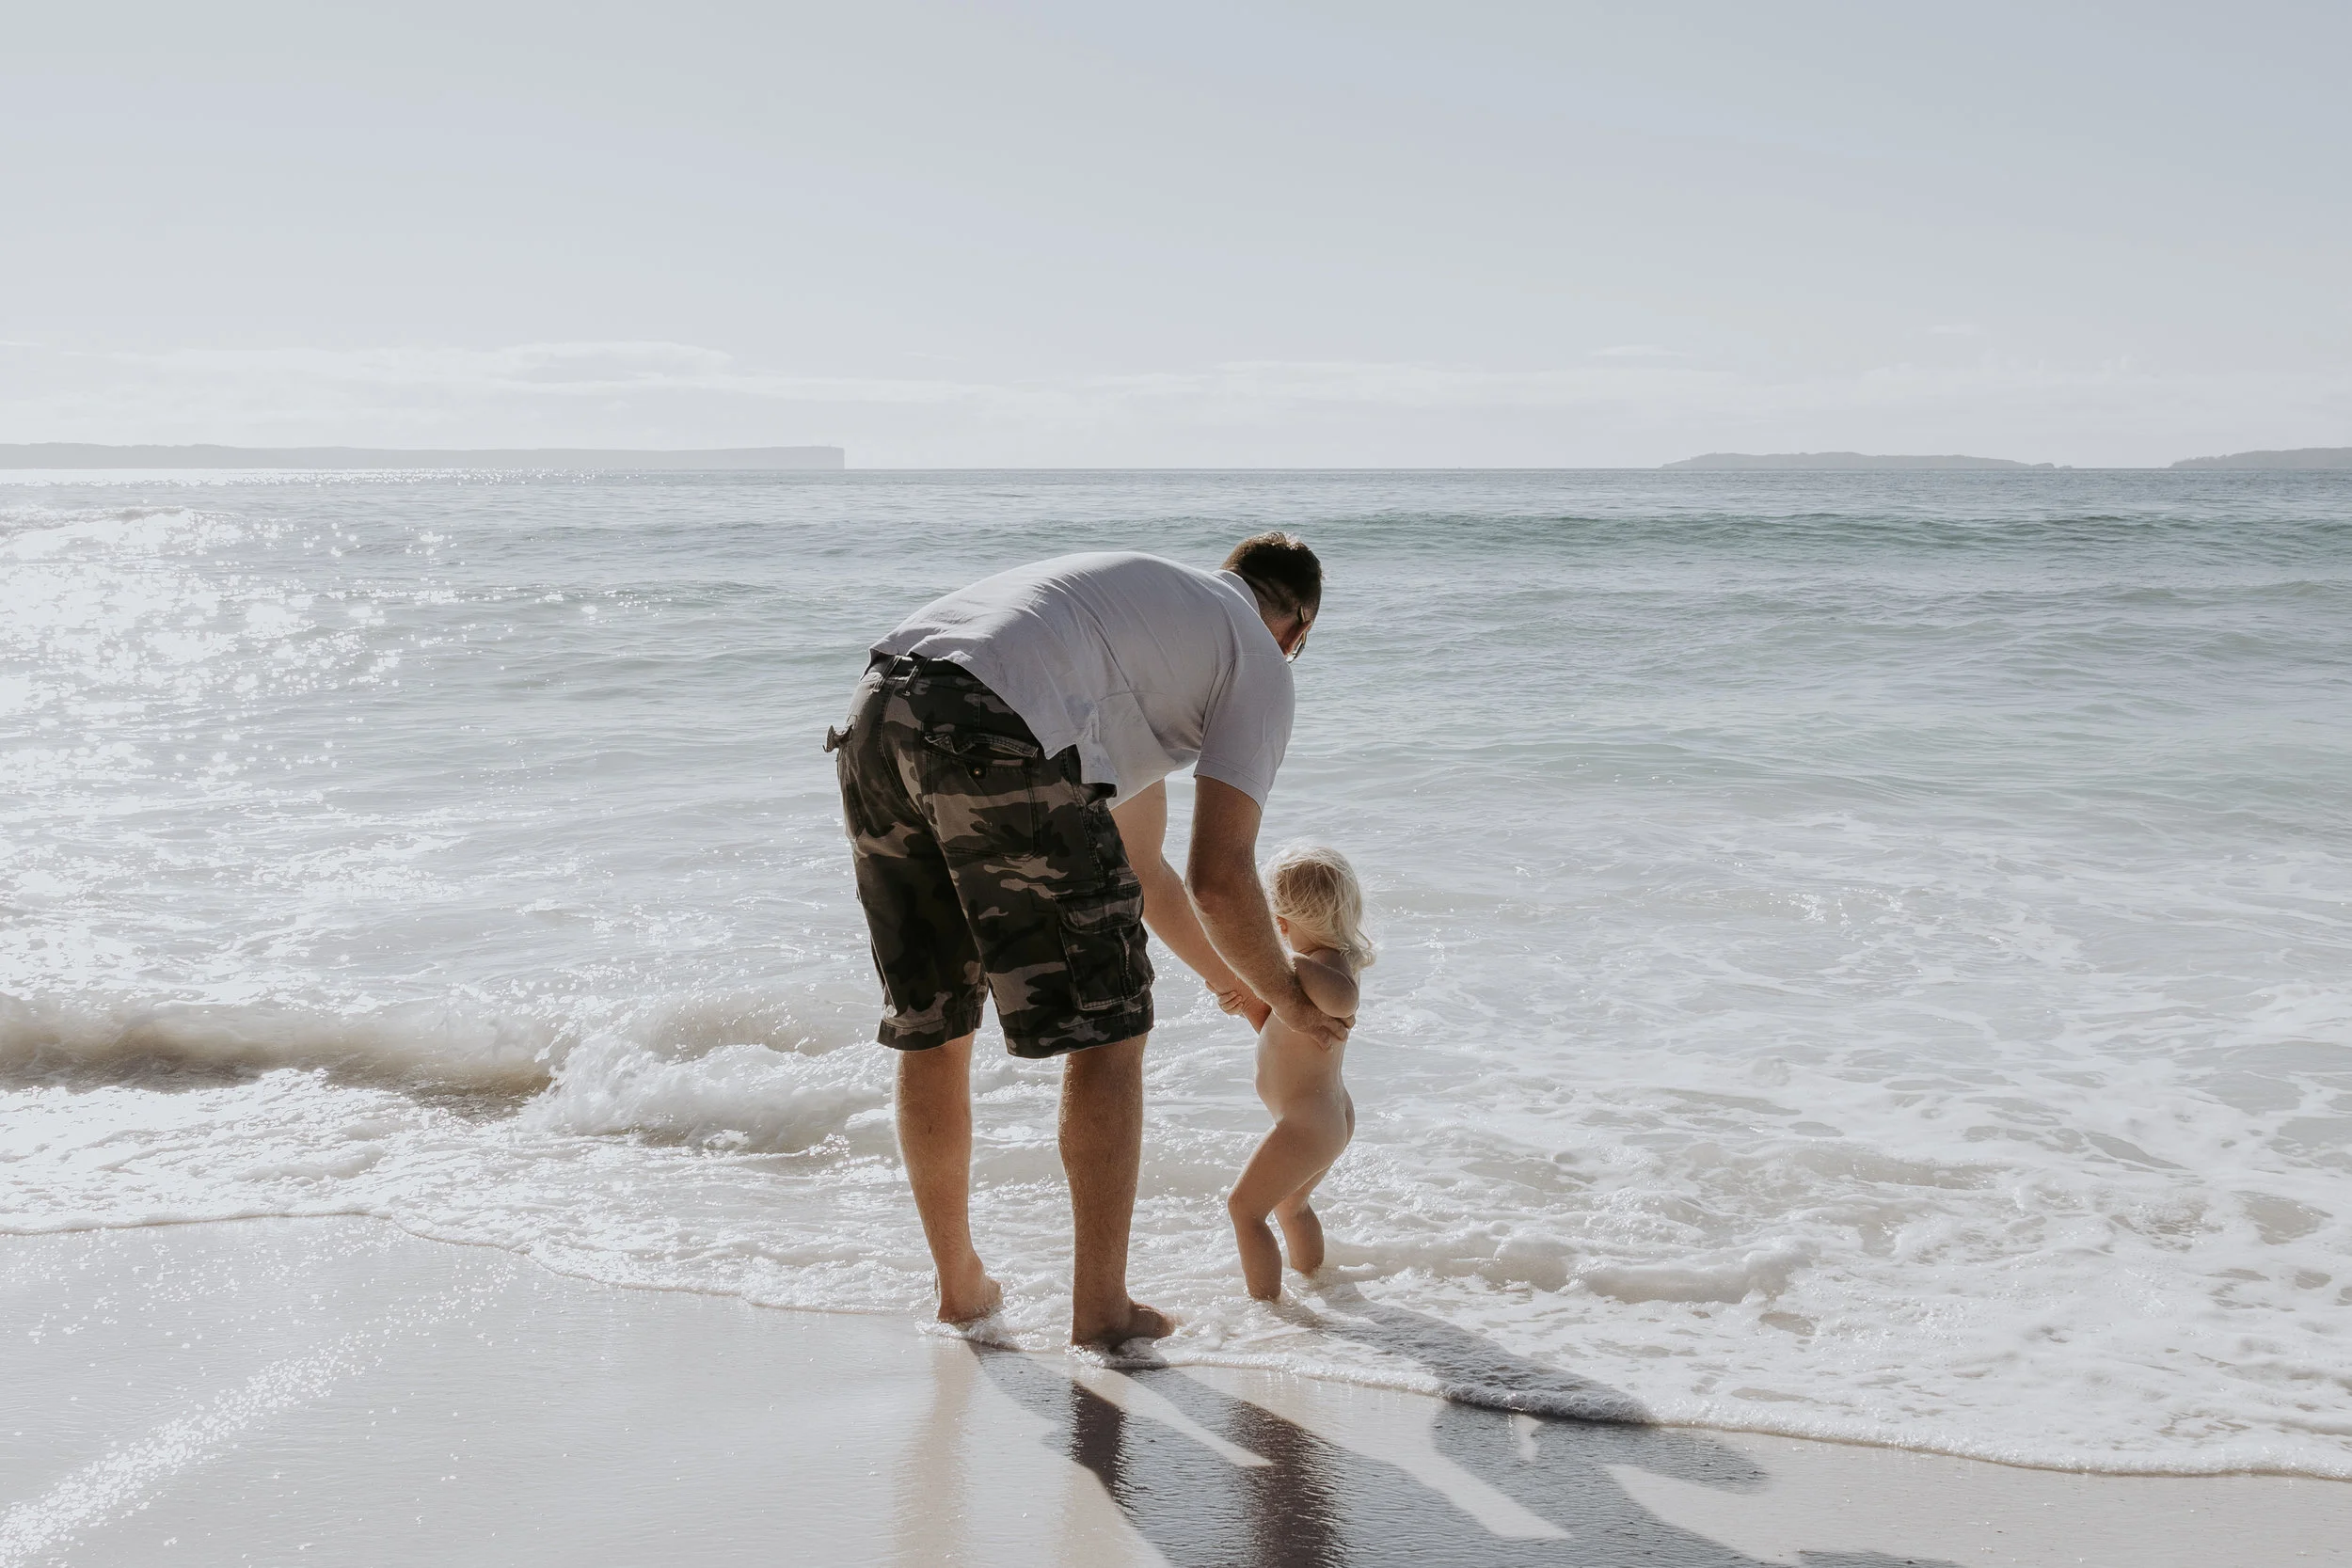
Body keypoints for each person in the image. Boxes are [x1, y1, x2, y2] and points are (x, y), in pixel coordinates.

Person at [826, 535, 1352, 1347]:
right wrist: (1289, 995)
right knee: (1110, 1030)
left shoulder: (1157, 628)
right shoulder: (1258, 655)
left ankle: (960, 1287)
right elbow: (1218, 875)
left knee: (936, 1018)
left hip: (880, 706)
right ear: (1298, 628)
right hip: (997, 717)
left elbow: (1144, 870)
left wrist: (1242, 989)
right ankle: (1102, 1311)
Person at [1227, 846, 1372, 1300]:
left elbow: (1343, 1001)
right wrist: (1247, 1003)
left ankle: (1267, 1310)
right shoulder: (1310, 970)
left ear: (1282, 922)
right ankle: (1319, 1285)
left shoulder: (1329, 964)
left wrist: (1283, 960)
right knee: (1291, 1206)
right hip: (1322, 1116)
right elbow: (1285, 1031)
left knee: (1244, 1209)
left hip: (1310, 1122)